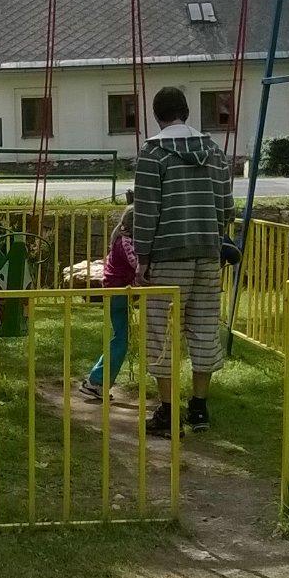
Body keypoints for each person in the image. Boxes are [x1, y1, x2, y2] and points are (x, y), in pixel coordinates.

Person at [132, 85, 236, 435]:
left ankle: (167, 413)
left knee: (161, 333)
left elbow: (147, 211)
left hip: (167, 256)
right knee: (204, 328)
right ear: (187, 112)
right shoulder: (214, 151)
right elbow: (227, 207)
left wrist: (142, 259)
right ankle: (199, 408)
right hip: (207, 253)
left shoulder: (153, 153)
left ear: (156, 115)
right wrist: (216, 240)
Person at [79, 205, 138, 400]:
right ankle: (96, 381)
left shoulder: (121, 239)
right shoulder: (126, 243)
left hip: (118, 292)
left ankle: (97, 380)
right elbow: (136, 265)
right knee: (121, 339)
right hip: (117, 293)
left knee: (121, 337)